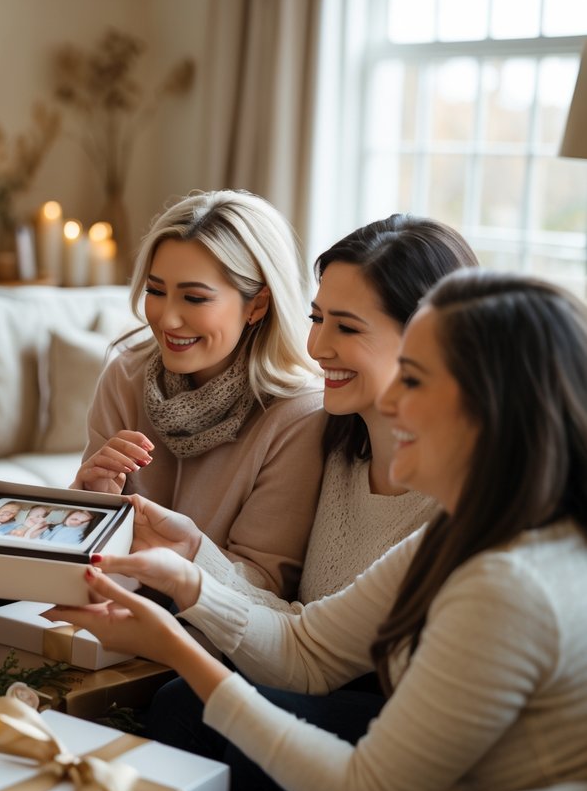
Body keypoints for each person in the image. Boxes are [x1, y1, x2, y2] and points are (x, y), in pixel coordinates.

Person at [49, 270, 587, 791]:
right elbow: (310, 652)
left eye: (416, 380)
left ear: (491, 408)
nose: (392, 400)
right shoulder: (466, 528)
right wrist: (189, 581)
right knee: (186, 708)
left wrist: (176, 648)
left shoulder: (509, 583)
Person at [188, 215, 472, 613]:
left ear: (426, 338)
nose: (317, 348)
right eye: (317, 319)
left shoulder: (464, 500)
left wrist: (190, 560)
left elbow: (320, 649)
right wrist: (188, 551)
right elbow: (305, 638)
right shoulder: (329, 447)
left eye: (348, 329)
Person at [75, 189, 325, 599]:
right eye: (156, 291)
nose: (167, 318)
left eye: (194, 298)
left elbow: (263, 588)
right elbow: (82, 552)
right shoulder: (126, 375)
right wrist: (87, 502)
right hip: (105, 612)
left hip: (205, 642)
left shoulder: (299, 415)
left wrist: (185, 553)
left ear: (257, 305)